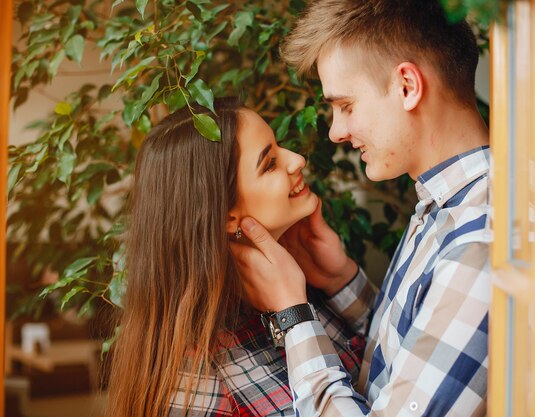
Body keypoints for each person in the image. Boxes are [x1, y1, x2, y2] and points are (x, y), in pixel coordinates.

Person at [230, 0, 492, 416]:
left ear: (407, 86)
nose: (335, 131)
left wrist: (292, 314)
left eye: (346, 106)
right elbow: (413, 361)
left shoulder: (478, 245)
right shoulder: (448, 205)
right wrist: (341, 281)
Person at [107, 98, 364, 417]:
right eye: (269, 163)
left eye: (279, 145)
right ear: (227, 217)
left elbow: (407, 375)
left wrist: (343, 281)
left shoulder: (308, 284)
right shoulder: (192, 380)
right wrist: (292, 315)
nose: (297, 159)